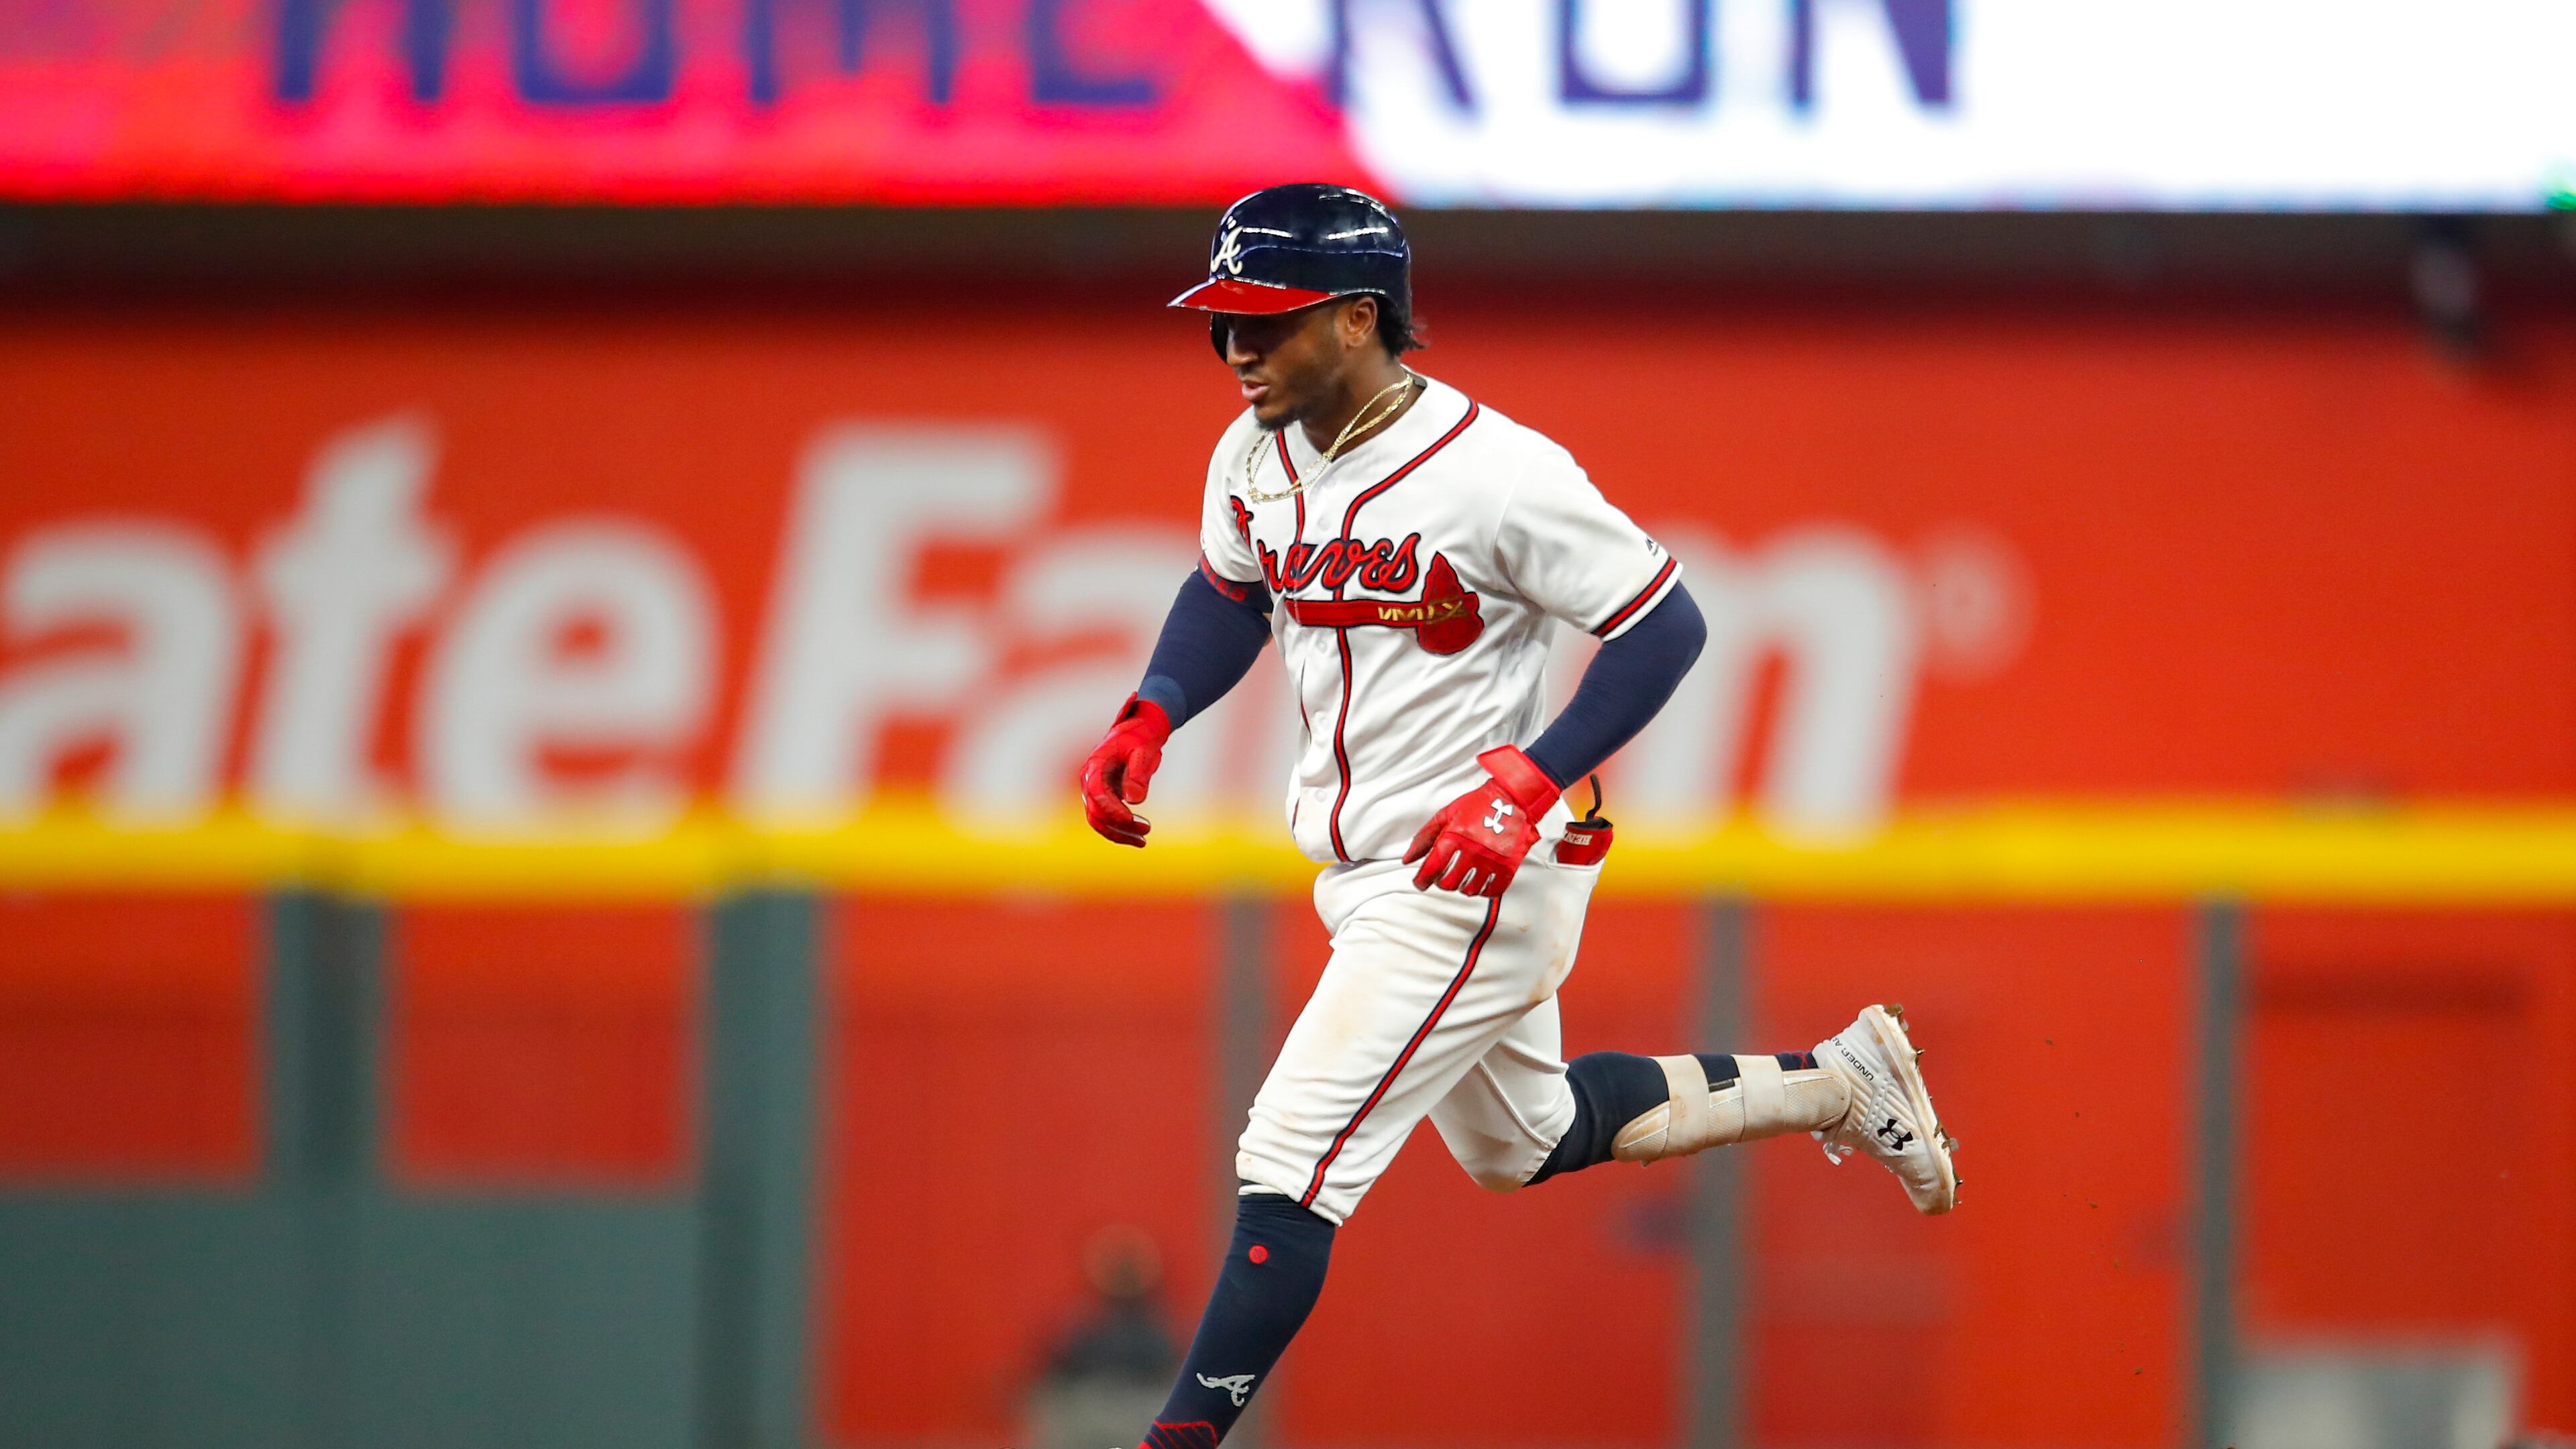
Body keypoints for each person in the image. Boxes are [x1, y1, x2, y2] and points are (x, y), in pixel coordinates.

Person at [1078, 183, 1958, 1449]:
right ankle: (1832, 1082)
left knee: (1286, 1157)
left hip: (1472, 870)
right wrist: (1152, 710)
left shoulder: (1498, 474)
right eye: (1222, 319)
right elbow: (1228, 592)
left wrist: (1531, 781)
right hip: (1366, 866)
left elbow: (1667, 624)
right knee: (1523, 1141)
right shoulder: (1252, 454)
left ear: (1358, 318)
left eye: (1264, 319)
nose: (1235, 347)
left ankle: (1176, 1441)